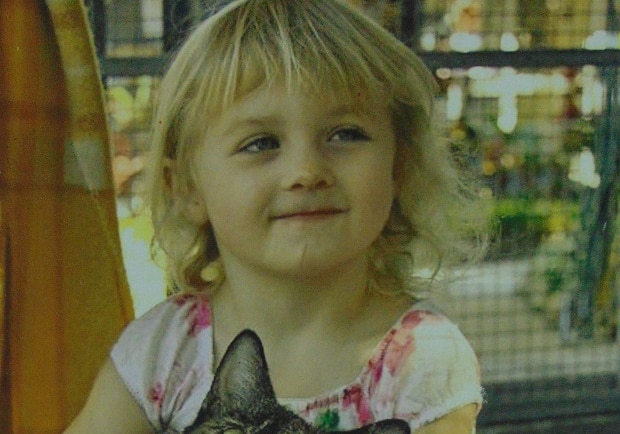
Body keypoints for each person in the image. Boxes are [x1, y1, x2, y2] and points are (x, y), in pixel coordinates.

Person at [65, 0, 491, 433]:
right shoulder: (163, 350)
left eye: (345, 134)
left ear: (398, 168)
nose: (307, 171)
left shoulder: (423, 362)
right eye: (261, 142)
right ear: (188, 189)